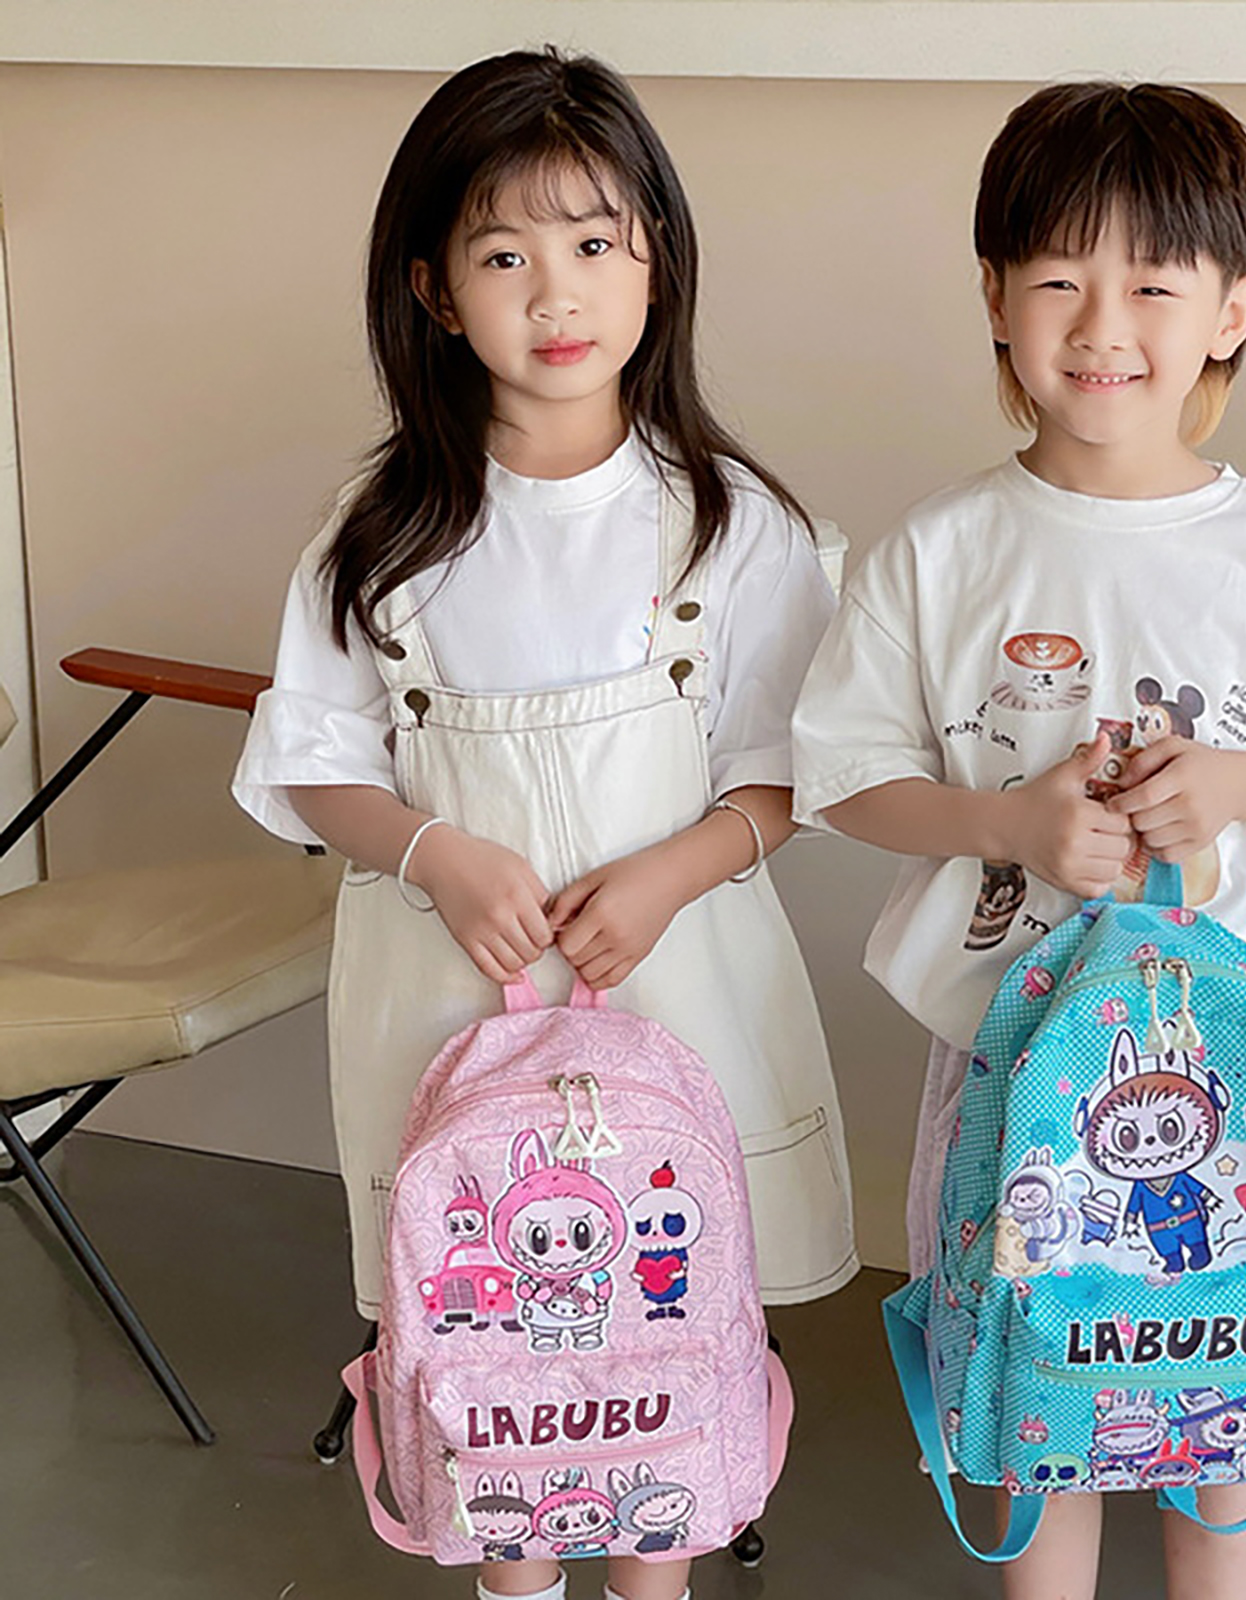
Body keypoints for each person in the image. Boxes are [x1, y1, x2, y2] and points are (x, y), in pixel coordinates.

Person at [232, 48, 857, 1600]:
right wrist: (431, 852)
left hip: (679, 987)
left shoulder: (731, 522)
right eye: (504, 255)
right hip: (444, 1002)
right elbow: (313, 763)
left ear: (659, 260)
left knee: (665, 1339)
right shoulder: (381, 533)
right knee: (494, 1336)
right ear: (435, 292)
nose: (556, 291)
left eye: (593, 242)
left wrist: (674, 871)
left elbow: (798, 768)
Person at [791, 81, 1246, 1600]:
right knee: (1037, 1385)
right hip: (1012, 1056)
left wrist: (1238, 787)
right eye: (1059, 280)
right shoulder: (940, 549)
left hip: (1240, 1054)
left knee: (1232, 1392)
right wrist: (1009, 822)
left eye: (1153, 285)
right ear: (996, 298)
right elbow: (844, 780)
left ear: (1233, 309)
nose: (1101, 325)